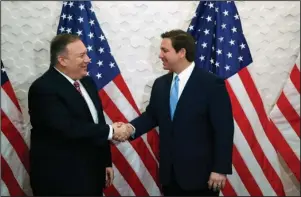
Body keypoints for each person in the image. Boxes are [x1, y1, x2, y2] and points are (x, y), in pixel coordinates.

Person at [121, 29, 235, 196]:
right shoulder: (160, 84)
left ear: (182, 52)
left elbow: (224, 129)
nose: (160, 55)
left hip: (201, 176)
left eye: (165, 50)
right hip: (170, 176)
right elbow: (152, 116)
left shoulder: (211, 84)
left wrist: (220, 169)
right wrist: (129, 129)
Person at [28, 34, 129, 196]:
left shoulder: (87, 83)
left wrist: (105, 161)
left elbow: (97, 122)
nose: (88, 59)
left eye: (86, 54)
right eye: (81, 56)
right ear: (62, 60)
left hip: (92, 174)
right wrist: (111, 131)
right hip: (61, 181)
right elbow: (66, 128)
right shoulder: (43, 88)